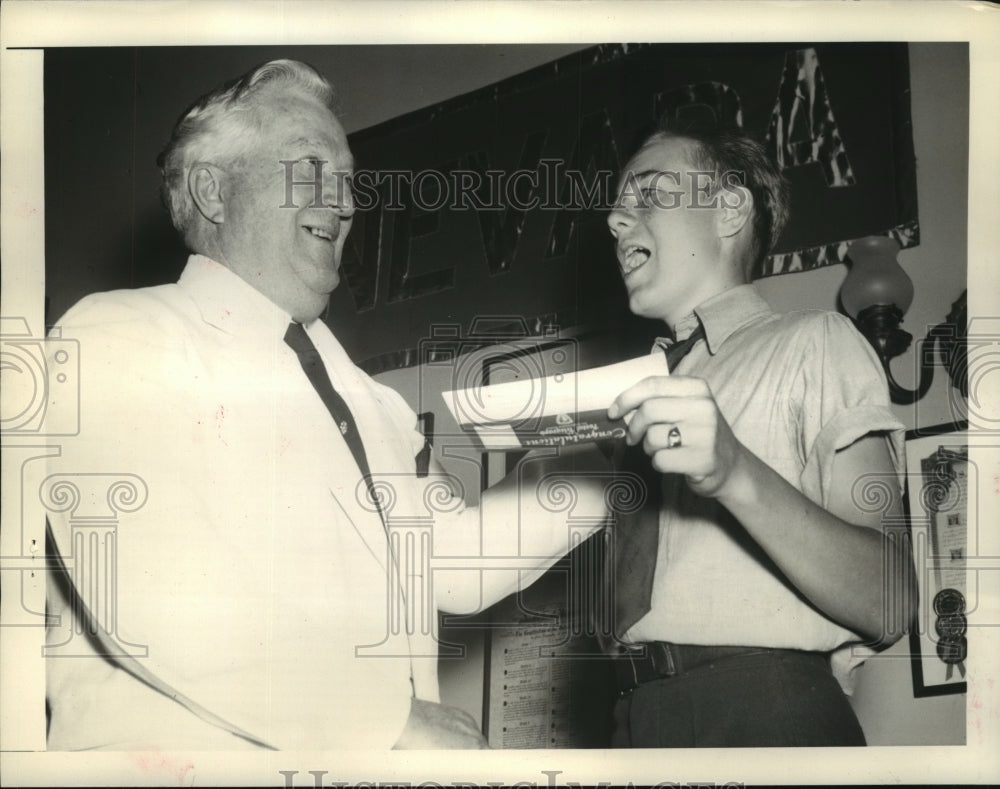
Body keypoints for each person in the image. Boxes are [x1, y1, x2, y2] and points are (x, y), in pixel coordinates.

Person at [43, 59, 607, 751]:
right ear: (213, 191)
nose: (343, 203)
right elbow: (158, 595)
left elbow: (451, 563)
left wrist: (608, 462)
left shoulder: (368, 400)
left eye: (347, 182)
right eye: (310, 168)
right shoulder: (115, 336)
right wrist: (387, 719)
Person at [599, 126, 917, 747]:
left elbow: (891, 598)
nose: (615, 218)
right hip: (631, 722)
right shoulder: (627, 398)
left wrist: (733, 471)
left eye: (649, 193)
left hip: (764, 710)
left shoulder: (817, 342)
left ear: (730, 210)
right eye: (617, 203)